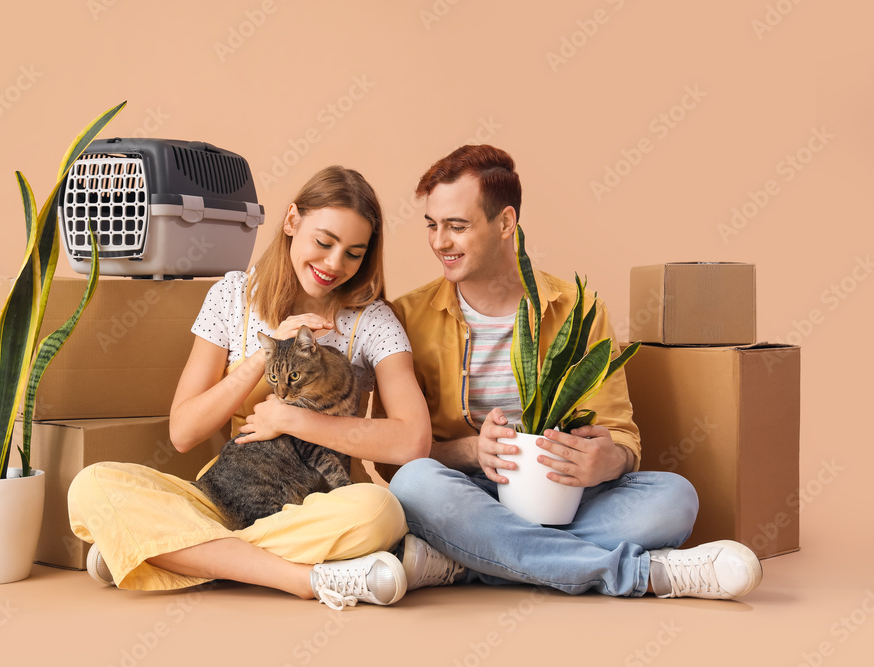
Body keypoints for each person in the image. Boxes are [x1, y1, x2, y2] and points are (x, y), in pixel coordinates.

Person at [378, 145, 763, 600]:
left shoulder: (575, 309)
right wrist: (470, 451)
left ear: (505, 223)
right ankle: (645, 575)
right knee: (414, 485)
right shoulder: (405, 316)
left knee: (675, 497)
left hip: (564, 494)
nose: (440, 241)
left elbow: (622, 435)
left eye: (457, 226)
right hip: (469, 494)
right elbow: (391, 457)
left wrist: (609, 460)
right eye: (433, 225)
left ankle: (464, 563)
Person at [68, 166, 432, 610]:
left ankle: (179, 552)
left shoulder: (373, 321)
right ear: (292, 221)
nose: (335, 264)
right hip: (219, 495)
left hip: (317, 505)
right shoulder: (230, 296)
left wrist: (295, 418)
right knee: (92, 486)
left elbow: (413, 440)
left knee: (378, 512)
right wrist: (267, 353)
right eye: (324, 242)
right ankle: (301, 578)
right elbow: (183, 432)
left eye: (354, 253)